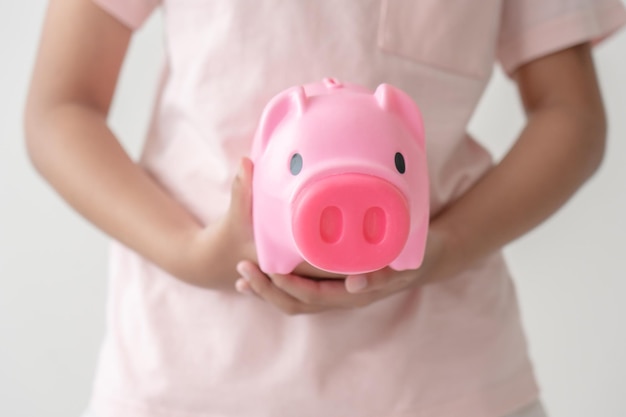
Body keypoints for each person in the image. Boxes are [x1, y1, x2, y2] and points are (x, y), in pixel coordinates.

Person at [24, 1, 625, 416]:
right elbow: (60, 107)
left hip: (446, 377)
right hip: (187, 372)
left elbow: (571, 117)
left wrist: (442, 247)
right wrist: (190, 255)